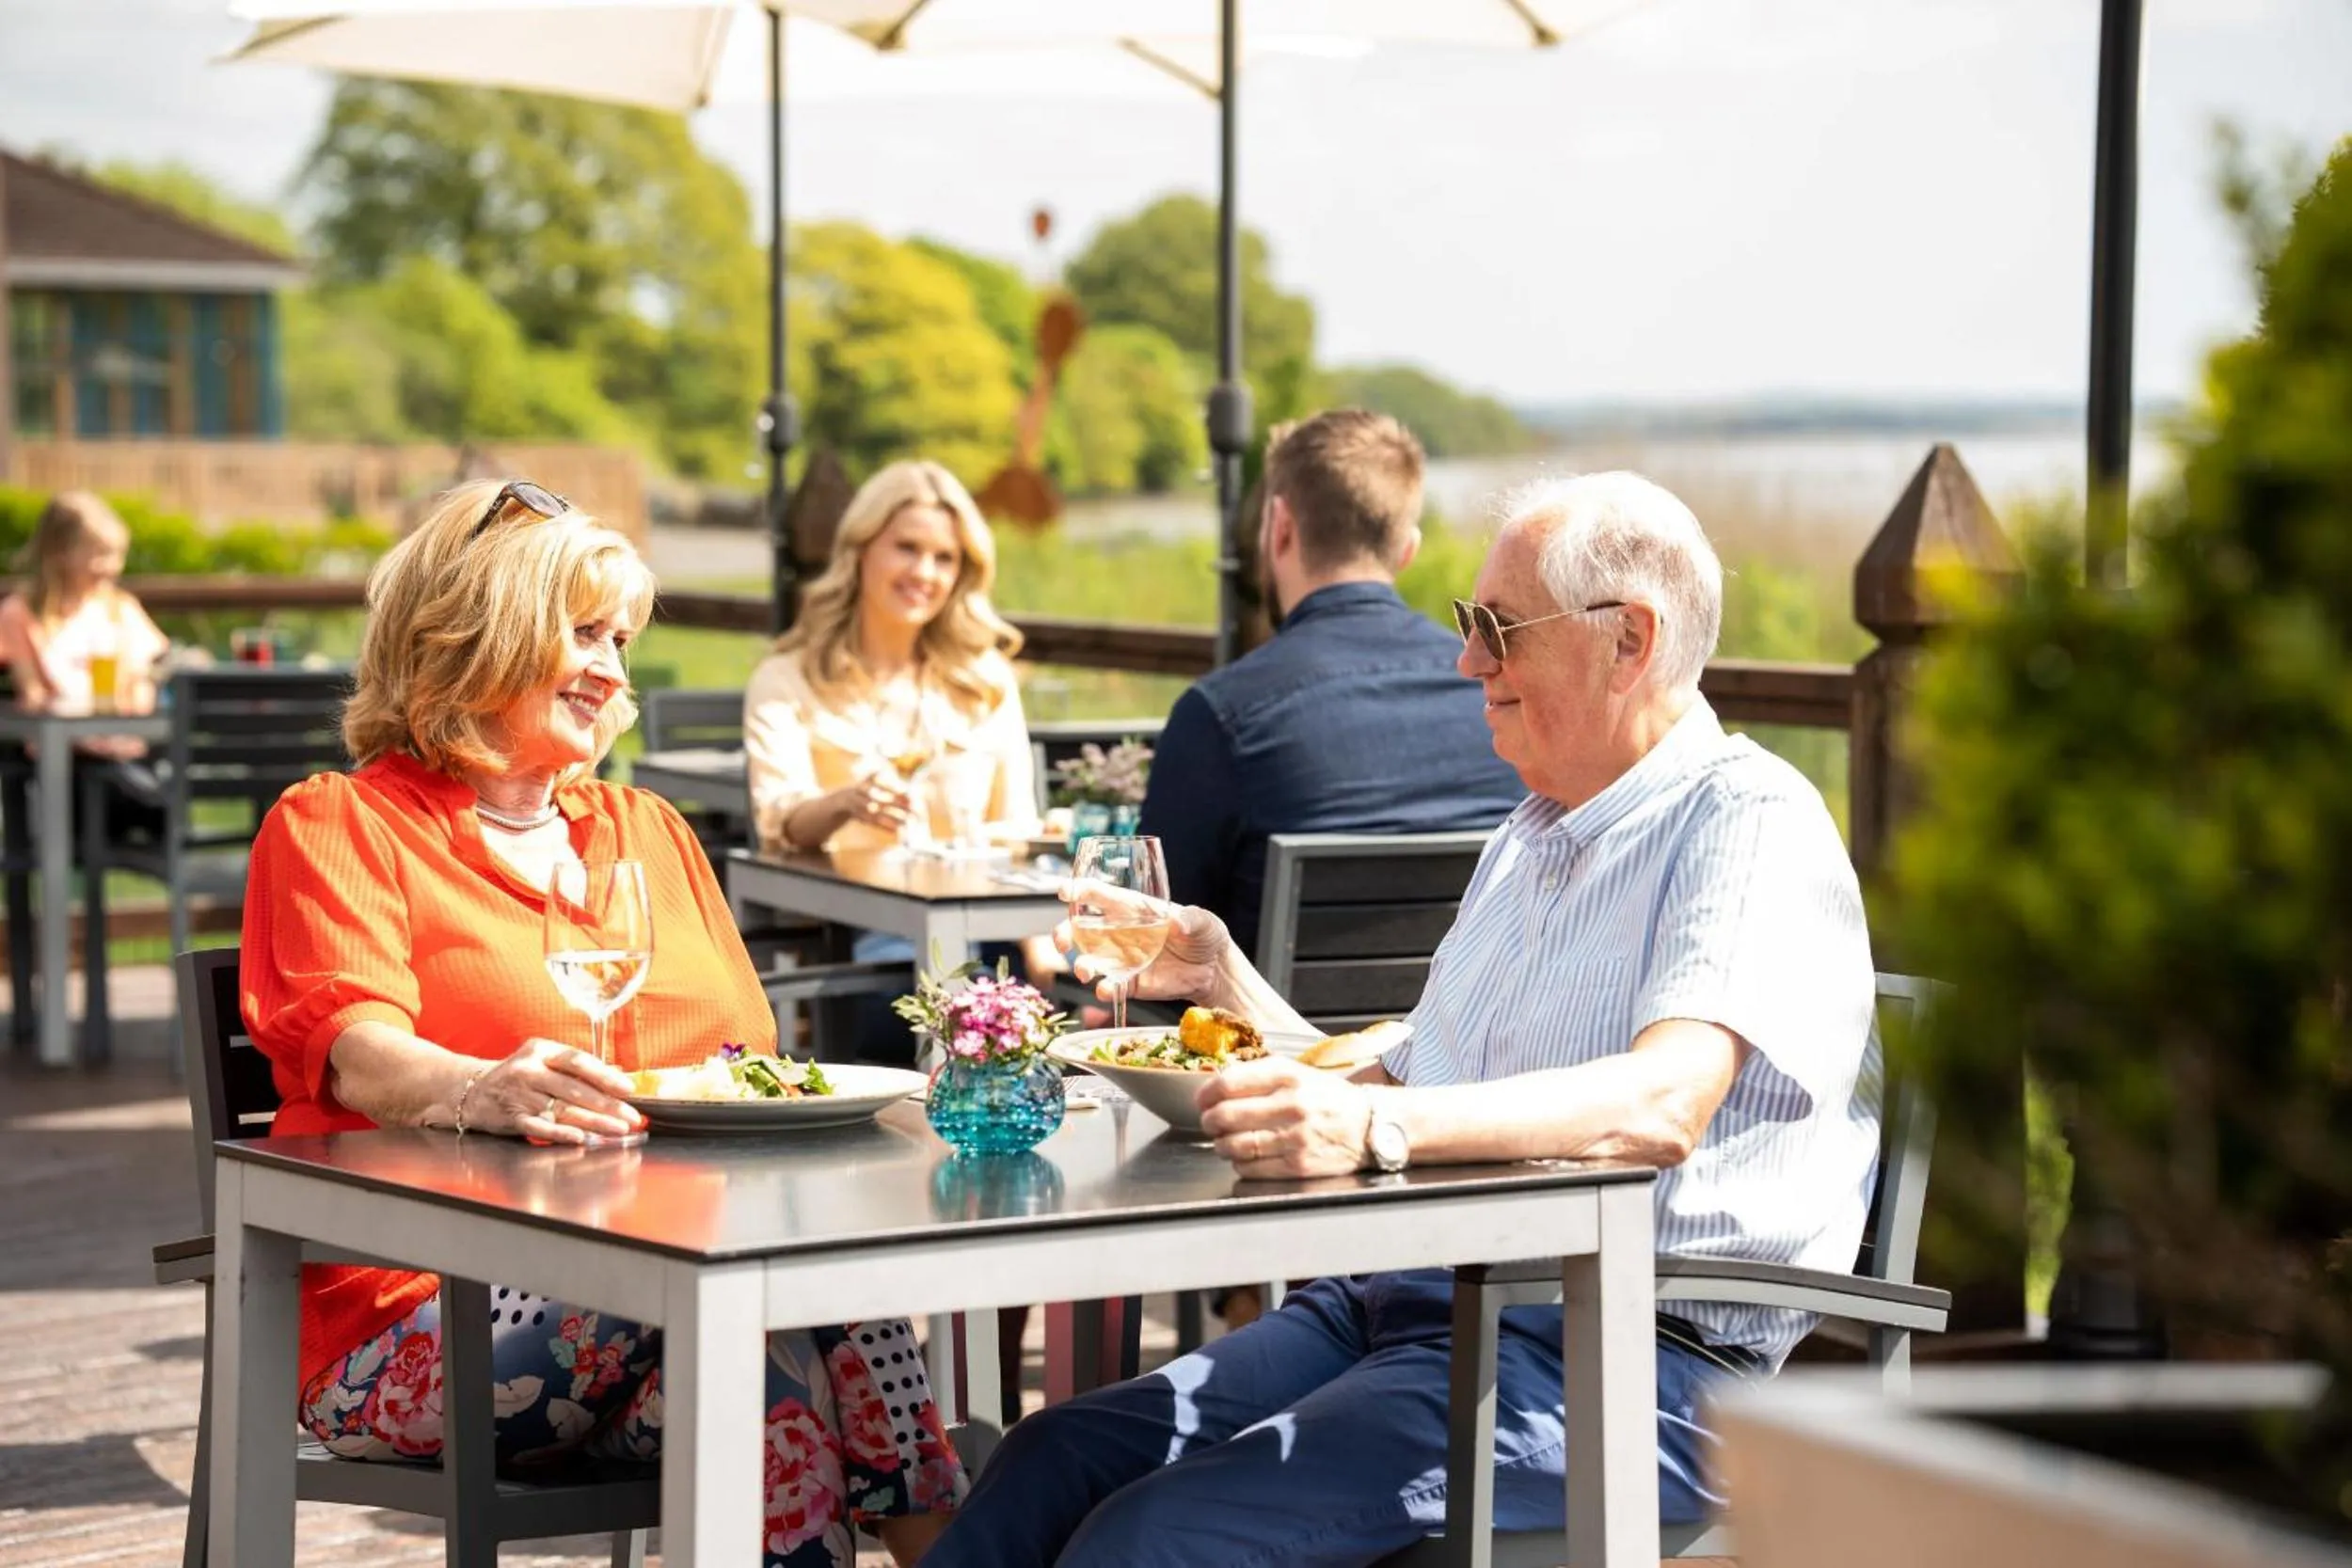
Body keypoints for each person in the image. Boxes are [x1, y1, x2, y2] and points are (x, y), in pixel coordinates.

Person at [922, 471, 1882, 1568]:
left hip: (1621, 1355)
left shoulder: (1744, 817)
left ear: (1629, 640)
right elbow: (1405, 1080)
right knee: (1049, 1454)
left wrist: (1374, 1131)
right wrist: (1226, 980)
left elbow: (1661, 1104)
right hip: (1409, 1308)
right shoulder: (1532, 831)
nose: (1468, 659)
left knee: (1154, 1536)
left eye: (1497, 627)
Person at [240, 479, 964, 1568]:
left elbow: (741, 1065)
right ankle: (953, 1545)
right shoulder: (342, 822)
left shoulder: (646, 832)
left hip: (667, 1292)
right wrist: (472, 1084)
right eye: (584, 631)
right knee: (769, 1291)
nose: (614, 671)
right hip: (421, 1314)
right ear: (477, 625)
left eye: (620, 639)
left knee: (773, 1368)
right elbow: (359, 1046)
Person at [1138, 409, 1523, 961]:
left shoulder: (1222, 716)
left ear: (1281, 527)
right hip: (1467, 1044)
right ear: (1407, 549)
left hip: (1274, 1045)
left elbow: (1156, 940)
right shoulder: (1500, 695)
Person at [743, 457, 1055, 1004]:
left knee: (1121, 988)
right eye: (907, 548)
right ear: (860, 549)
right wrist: (846, 803)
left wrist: (1046, 950)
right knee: (982, 1013)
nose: (925, 574)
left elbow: (1015, 827)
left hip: (992, 939)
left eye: (945, 558)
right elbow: (779, 822)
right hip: (868, 950)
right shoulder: (786, 679)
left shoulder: (984, 680)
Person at [0, 490, 171, 837]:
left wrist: (143, 690)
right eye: (98, 555)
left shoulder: (120, 609)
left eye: (116, 555)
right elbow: (32, 696)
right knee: (146, 796)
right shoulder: (20, 614)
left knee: (153, 788)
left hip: (128, 755)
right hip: (62, 768)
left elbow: (149, 673)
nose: (111, 567)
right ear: (60, 553)